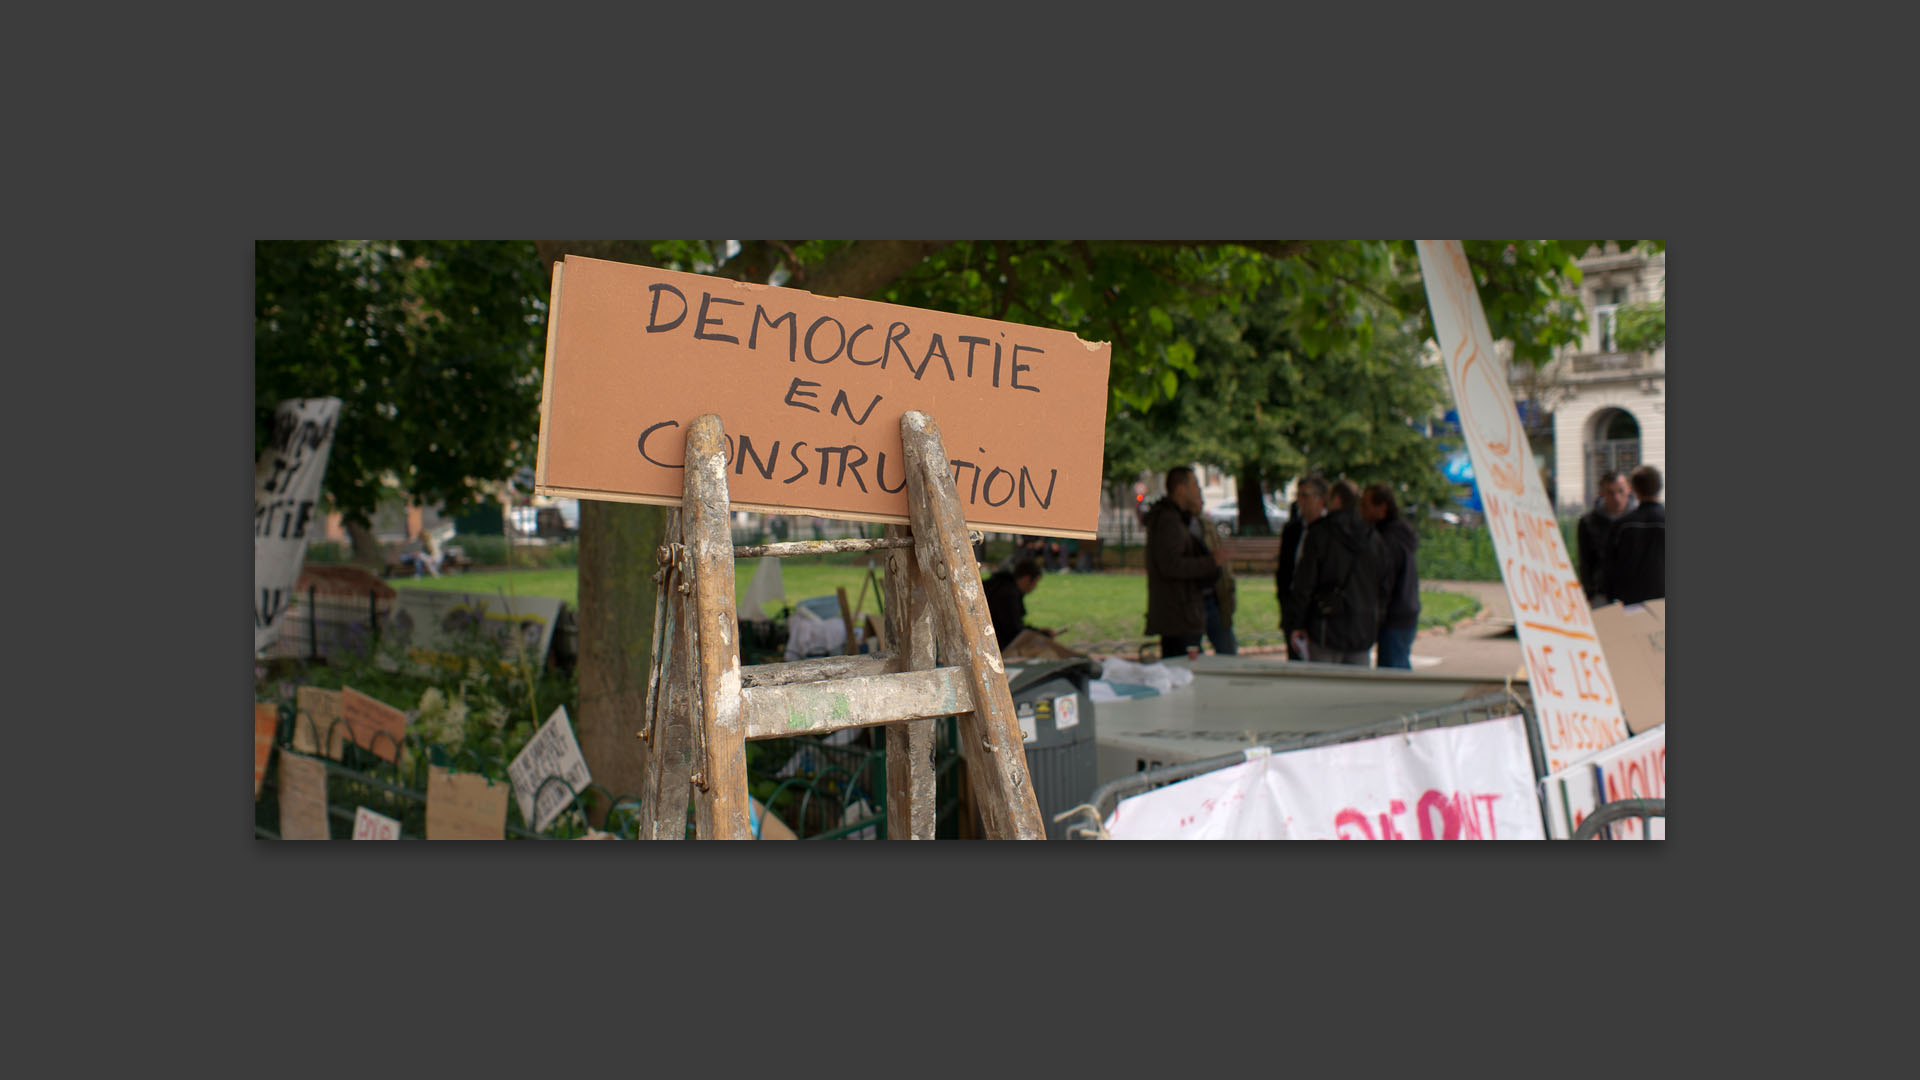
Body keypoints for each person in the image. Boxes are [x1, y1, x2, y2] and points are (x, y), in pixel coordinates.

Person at [1287, 479, 1389, 666]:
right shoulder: (1372, 537)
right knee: (1356, 690)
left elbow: (1305, 583)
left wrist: (1297, 623)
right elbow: (1383, 584)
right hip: (1362, 629)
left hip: (1325, 627)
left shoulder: (1320, 534)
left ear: (1335, 500)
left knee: (1323, 688)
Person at [1143, 466, 1220, 662]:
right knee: (1183, 669)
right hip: (1179, 615)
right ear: (1181, 489)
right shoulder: (1169, 521)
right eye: (1194, 484)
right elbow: (1171, 565)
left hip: (1182, 613)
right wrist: (1210, 562)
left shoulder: (1177, 518)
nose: (1198, 490)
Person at [1360, 483, 1420, 669]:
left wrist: (1375, 615)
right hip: (1404, 611)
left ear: (1382, 508)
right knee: (1397, 666)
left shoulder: (1387, 540)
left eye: (1365, 506)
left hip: (1394, 615)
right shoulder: (1399, 534)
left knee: (1393, 672)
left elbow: (1385, 582)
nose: (1361, 511)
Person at [1276, 476, 1327, 660]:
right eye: (1298, 495)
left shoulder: (1329, 531)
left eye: (1305, 496)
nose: (1300, 501)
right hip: (1293, 610)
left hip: (1318, 616)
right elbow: (1284, 572)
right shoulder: (1292, 530)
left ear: (1321, 499)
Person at [1602, 465, 1665, 605]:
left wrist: (1611, 596)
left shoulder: (1622, 526)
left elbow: (1609, 567)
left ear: (1634, 489)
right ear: (1660, 487)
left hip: (1631, 604)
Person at [1577, 471, 1634, 603]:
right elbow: (1585, 561)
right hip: (1602, 592)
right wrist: (1589, 592)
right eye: (1610, 492)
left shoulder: (1637, 521)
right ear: (1601, 493)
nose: (1617, 498)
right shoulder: (1589, 522)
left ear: (1629, 489)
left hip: (1634, 592)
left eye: (1621, 491)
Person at [982, 557, 1050, 650]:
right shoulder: (1009, 594)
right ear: (1027, 579)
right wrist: (1040, 634)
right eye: (1035, 583)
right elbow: (1013, 632)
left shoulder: (1000, 584)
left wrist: (1036, 631)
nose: (1034, 588)